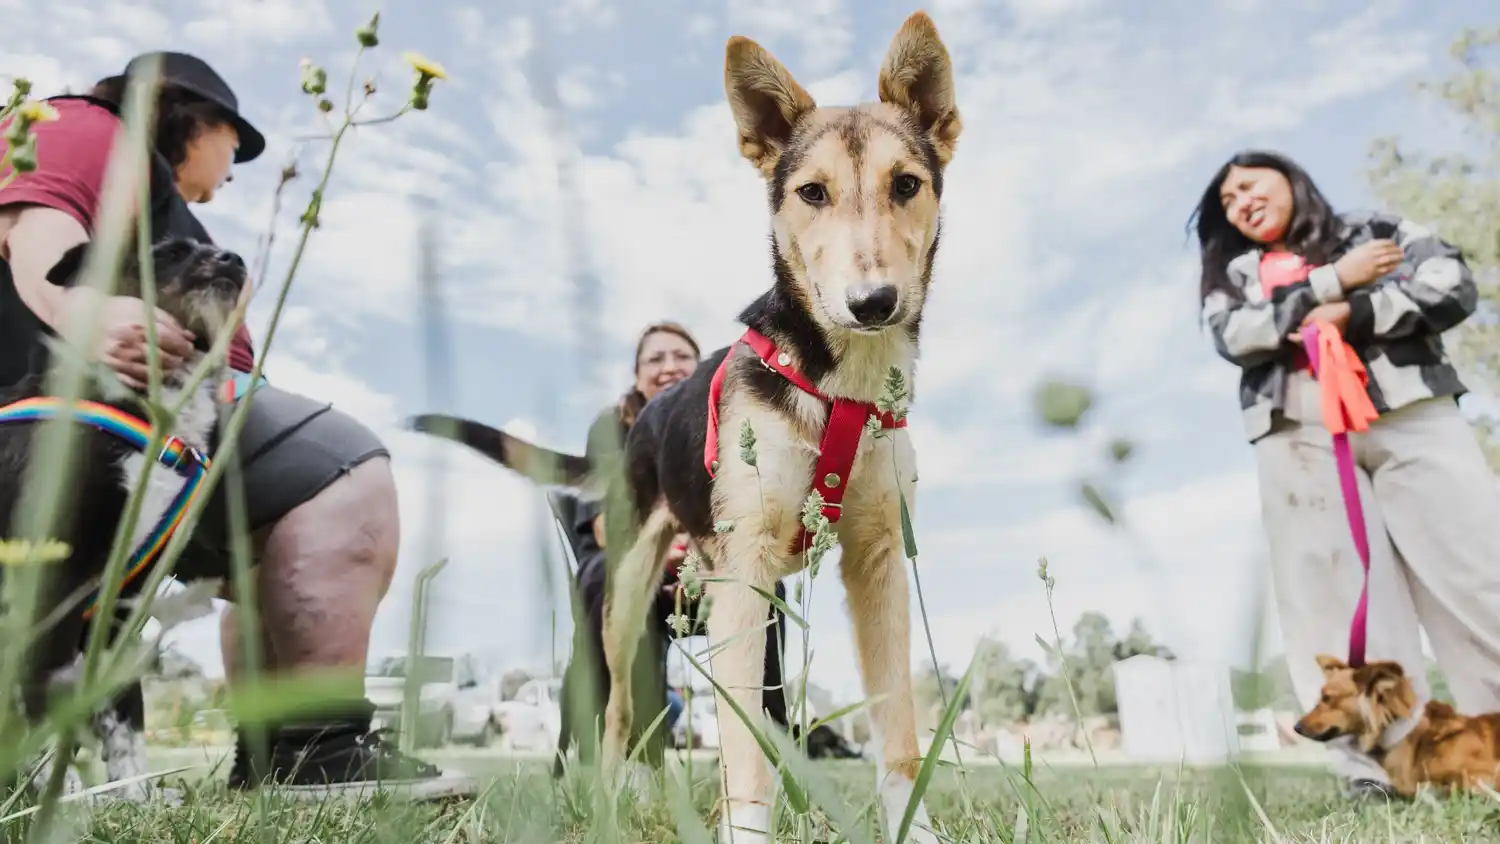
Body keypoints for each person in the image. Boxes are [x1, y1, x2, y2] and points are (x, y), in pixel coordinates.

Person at [0, 52, 474, 799]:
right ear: (188, 114)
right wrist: (80, 309)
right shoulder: (92, 127)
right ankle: (315, 747)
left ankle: (271, 755)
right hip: (92, 419)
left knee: (266, 559)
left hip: (163, 428)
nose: (234, 166)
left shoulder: (146, 188)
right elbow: (36, 217)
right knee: (339, 466)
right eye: (233, 142)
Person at [1194, 149, 1500, 799]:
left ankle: (1488, 744)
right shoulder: (1236, 274)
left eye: (1249, 184)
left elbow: (1449, 284)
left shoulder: (1375, 230)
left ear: (1288, 177)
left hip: (1408, 410)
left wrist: (1353, 314)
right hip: (1297, 430)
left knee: (1476, 571)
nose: (1239, 201)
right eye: (1226, 202)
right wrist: (1337, 283)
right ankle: (1376, 771)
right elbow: (1236, 334)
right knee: (1328, 591)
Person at [555, 321, 791, 772]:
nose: (669, 367)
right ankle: (631, 754)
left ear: (701, 366)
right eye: (655, 359)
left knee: (765, 589)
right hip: (630, 563)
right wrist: (668, 554)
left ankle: (769, 741)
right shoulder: (614, 426)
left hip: (707, 565)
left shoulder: (730, 418)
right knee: (613, 579)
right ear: (637, 374)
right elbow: (607, 528)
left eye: (681, 356)